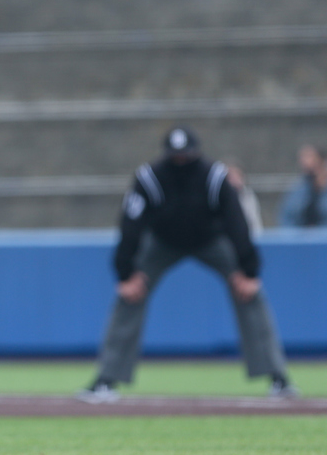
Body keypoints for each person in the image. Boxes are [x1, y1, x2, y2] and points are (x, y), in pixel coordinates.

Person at [77, 126, 295, 402]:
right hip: (162, 243)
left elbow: (236, 222)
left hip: (210, 241)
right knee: (129, 297)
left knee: (250, 294)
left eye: (186, 156)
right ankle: (106, 379)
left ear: (196, 153)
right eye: (175, 157)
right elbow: (131, 224)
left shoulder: (214, 176)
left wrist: (248, 270)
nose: (181, 162)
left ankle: (278, 377)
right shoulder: (149, 177)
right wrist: (126, 273)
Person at [277, 145, 327, 228]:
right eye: (302, 157)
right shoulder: (296, 191)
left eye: (309, 157)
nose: (304, 161)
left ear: (322, 160)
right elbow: (287, 218)